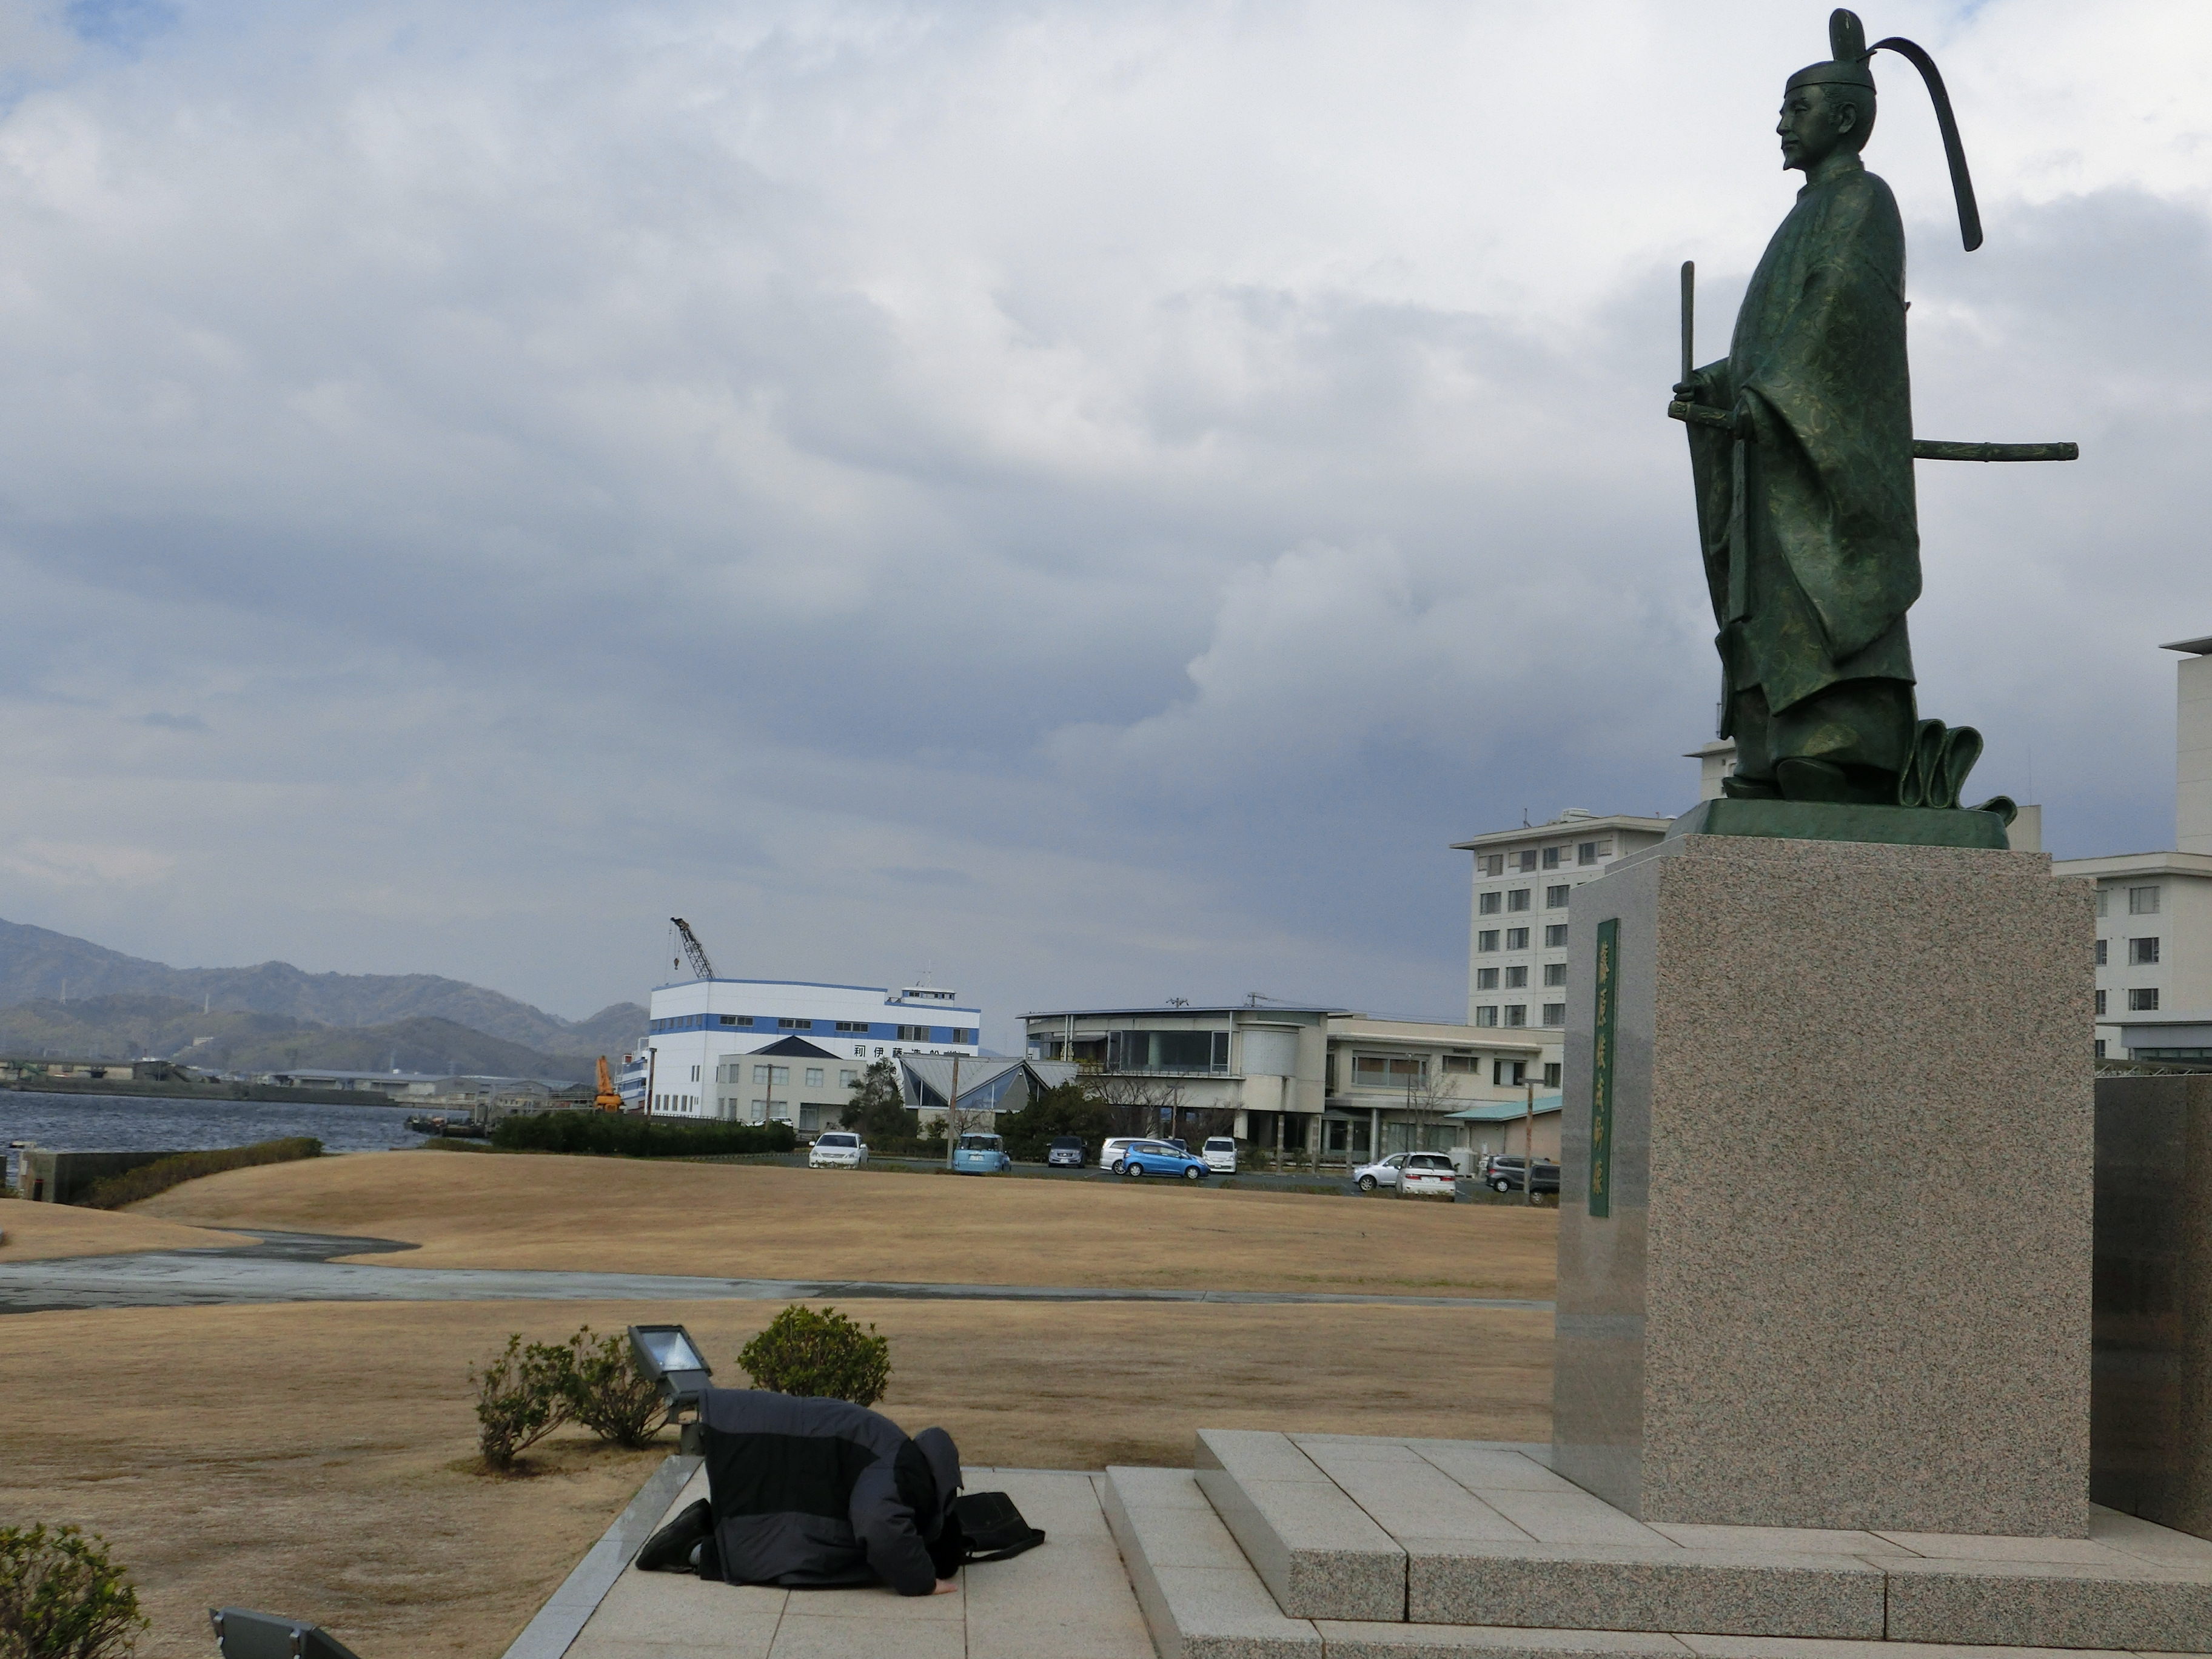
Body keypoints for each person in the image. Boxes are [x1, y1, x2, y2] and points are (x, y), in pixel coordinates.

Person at [1673, 21, 1920, 805]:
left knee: (1824, 588)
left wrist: (1775, 393)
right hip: (1768, 435)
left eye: (1798, 106)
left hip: (1811, 439)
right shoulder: (1807, 211)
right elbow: (1777, 327)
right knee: (1767, 598)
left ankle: (1843, 748)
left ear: (1844, 118)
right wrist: (1717, 387)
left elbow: (1840, 310)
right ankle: (1770, 742)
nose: (1783, 123)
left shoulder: (1863, 202)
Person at [638, 1389, 964, 1596]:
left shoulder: (897, 1447)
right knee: (790, 1556)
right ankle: (690, 1549)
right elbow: (878, 1524)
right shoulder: (901, 1473)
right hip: (774, 1444)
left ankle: (705, 1522)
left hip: (763, 1435)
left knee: (774, 1523)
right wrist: (922, 1581)